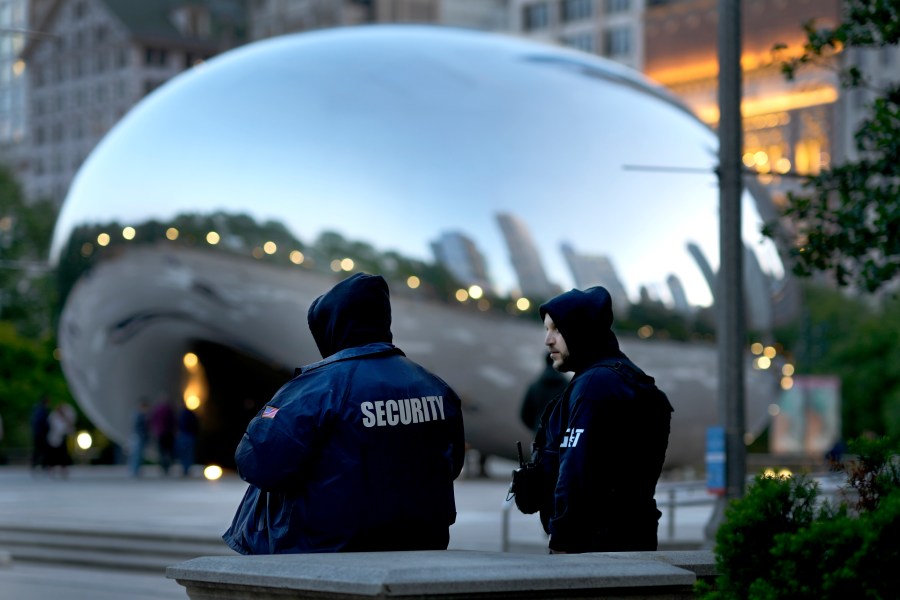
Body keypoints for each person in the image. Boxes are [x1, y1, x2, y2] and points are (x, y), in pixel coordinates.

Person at [224, 273, 466, 554]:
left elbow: (256, 463)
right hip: (423, 542)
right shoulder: (436, 388)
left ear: (333, 326)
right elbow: (452, 465)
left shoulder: (316, 388)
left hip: (324, 548)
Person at [512, 285, 673, 554]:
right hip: (633, 538)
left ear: (581, 331)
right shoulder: (625, 377)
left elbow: (576, 473)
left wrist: (562, 541)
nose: (548, 340)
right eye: (547, 329)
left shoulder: (594, 386)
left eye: (558, 329)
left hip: (593, 547)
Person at [520, 353, 568, 433]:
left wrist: (537, 427)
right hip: (559, 436)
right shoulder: (567, 386)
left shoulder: (535, 385)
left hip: (538, 435)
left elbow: (524, 414)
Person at [44, 401, 76, 476]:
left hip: (62, 437)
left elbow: (69, 426)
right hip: (54, 437)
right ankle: (51, 467)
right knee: (53, 454)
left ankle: (63, 468)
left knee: (63, 454)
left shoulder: (65, 416)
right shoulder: (53, 416)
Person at [149, 395, 176, 475]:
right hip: (167, 433)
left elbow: (153, 421)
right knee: (168, 451)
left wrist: (155, 431)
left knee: (162, 451)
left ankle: (163, 467)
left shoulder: (157, 409)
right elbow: (173, 421)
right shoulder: (169, 409)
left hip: (160, 433)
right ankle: (167, 467)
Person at [175, 405, 200, 477]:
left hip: (184, 435)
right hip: (189, 435)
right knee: (188, 453)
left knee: (184, 453)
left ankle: (185, 469)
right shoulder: (190, 414)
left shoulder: (182, 414)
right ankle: (187, 469)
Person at [129, 400, 150, 477]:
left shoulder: (139, 415)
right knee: (136, 455)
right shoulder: (139, 415)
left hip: (139, 437)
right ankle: (134, 470)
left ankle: (136, 470)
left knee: (138, 455)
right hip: (139, 437)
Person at [30, 396, 51, 473]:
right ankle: (42, 465)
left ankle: (37, 464)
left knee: (38, 449)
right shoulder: (42, 410)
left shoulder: (37, 409)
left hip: (38, 433)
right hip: (41, 433)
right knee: (42, 450)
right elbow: (43, 422)